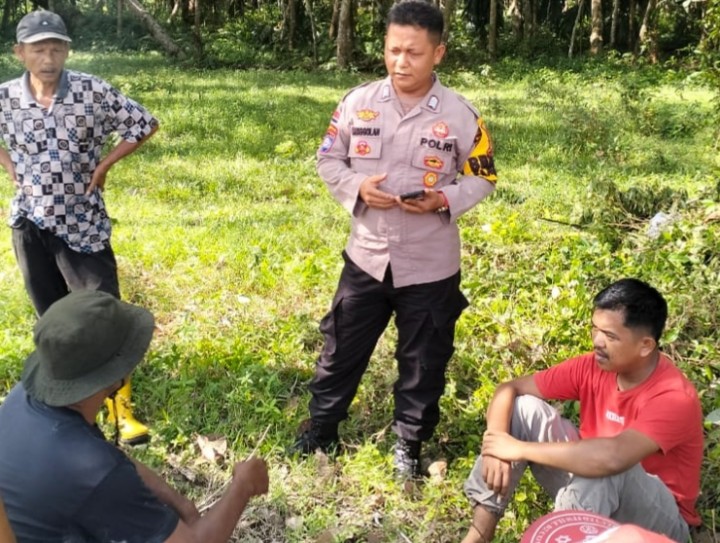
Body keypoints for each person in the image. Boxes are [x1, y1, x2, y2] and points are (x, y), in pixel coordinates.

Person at [291, 0, 497, 479]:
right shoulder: (356, 102)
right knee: (341, 347)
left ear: (438, 53)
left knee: (424, 361)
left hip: (430, 264)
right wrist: (356, 188)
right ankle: (321, 429)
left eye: (414, 53)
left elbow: (483, 177)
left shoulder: (462, 116)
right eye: (393, 50)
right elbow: (328, 159)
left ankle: (409, 444)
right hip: (366, 256)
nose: (401, 62)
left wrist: (443, 199)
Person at [0, 10, 160, 443]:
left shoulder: (92, 90)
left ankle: (121, 410)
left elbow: (144, 123)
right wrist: (8, 163)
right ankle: (60, 402)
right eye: (38, 49)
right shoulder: (6, 97)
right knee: (52, 317)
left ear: (67, 50)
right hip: (29, 221)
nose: (48, 57)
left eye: (56, 48)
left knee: (102, 315)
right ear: (21, 53)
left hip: (82, 221)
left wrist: (106, 164)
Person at [0, 290, 269, 543]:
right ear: (113, 374)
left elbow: (109, 461)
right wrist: (243, 485)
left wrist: (180, 503)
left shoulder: (24, 398)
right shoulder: (96, 474)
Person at [461, 279, 704, 543]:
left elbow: (613, 458)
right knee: (523, 409)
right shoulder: (592, 367)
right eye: (595, 329)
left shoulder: (674, 396)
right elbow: (509, 389)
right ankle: (478, 537)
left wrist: (518, 448)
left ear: (645, 345)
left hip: (657, 523)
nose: (597, 342)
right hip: (592, 484)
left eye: (610, 336)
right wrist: (497, 442)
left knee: (608, 468)